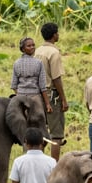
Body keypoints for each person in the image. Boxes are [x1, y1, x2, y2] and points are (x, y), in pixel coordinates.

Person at [35, 22, 69, 160]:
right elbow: (56, 78)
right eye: (57, 32)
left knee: (41, 131)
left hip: (38, 95)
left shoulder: (37, 51)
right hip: (52, 95)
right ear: (54, 35)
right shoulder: (53, 53)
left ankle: (39, 162)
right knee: (56, 134)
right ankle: (54, 165)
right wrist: (64, 99)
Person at [11, 37, 52, 131]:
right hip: (35, 98)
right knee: (40, 127)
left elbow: (14, 85)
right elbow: (42, 86)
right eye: (29, 46)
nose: (32, 47)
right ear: (23, 49)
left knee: (24, 128)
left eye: (33, 45)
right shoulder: (38, 63)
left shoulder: (16, 63)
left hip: (20, 98)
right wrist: (47, 104)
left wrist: (19, 95)